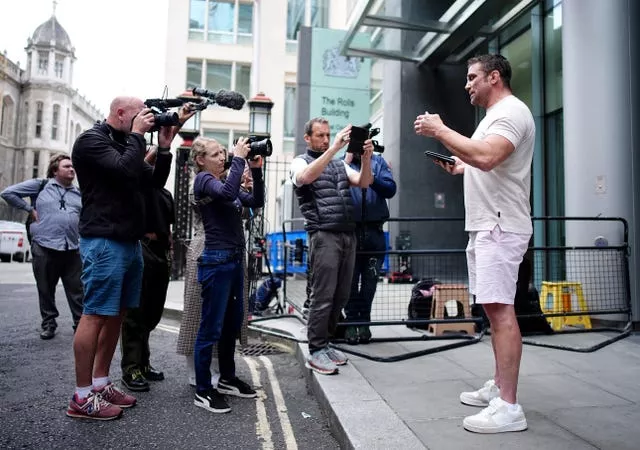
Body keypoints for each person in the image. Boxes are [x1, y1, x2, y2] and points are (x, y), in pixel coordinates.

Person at [414, 54, 535, 434]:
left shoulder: (512, 113)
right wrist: (459, 165)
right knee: (493, 311)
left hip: (500, 226)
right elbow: (482, 161)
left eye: (472, 77)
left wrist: (441, 130)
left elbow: (487, 157)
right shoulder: (491, 119)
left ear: (494, 77)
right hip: (486, 226)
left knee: (501, 313)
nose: (466, 85)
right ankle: (499, 387)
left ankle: (510, 407)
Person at [66, 96, 176, 421]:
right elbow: (124, 170)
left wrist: (166, 147)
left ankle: (101, 383)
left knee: (117, 314)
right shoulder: (92, 141)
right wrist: (139, 136)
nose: (145, 118)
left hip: (129, 242)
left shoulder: (124, 143)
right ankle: (82, 396)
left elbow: (152, 182)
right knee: (96, 315)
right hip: (103, 241)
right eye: (139, 114)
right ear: (120, 113)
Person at [289, 118, 373, 375]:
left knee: (341, 295)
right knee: (323, 295)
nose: (325, 139)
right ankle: (315, 350)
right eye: (320, 135)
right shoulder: (300, 161)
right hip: (323, 235)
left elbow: (364, 182)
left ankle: (325, 344)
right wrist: (334, 149)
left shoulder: (338, 165)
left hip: (348, 233)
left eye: (328, 135)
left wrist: (367, 158)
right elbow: (304, 178)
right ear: (308, 137)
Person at [191, 137, 264, 414]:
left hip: (234, 260)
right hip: (216, 261)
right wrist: (239, 159)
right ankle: (203, 390)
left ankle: (227, 378)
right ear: (200, 160)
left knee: (231, 325)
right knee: (210, 327)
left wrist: (255, 170)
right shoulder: (203, 181)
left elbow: (256, 200)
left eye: (224, 153)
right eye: (216, 154)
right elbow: (226, 194)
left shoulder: (224, 183)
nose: (222, 158)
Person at [1, 154, 83, 340]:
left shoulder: (79, 193)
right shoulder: (41, 186)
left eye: (72, 167)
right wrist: (29, 208)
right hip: (44, 246)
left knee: (77, 289)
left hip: (72, 248)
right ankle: (49, 324)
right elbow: (7, 193)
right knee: (45, 288)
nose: (72, 169)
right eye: (67, 166)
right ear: (55, 170)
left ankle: (80, 325)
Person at [342, 150, 396, 344]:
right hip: (350, 231)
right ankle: (351, 324)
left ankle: (363, 323)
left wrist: (370, 174)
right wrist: (346, 160)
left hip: (374, 231)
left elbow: (390, 189)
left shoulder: (377, 162)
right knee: (349, 281)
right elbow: (333, 186)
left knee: (369, 282)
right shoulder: (342, 163)